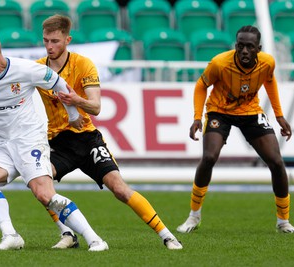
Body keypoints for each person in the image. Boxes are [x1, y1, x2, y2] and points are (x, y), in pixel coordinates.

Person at [35, 14, 183, 250]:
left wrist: (75, 99)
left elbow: (96, 106)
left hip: (86, 138)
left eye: (55, 41)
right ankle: (67, 234)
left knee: (120, 189)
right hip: (58, 142)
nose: (50, 46)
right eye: (46, 41)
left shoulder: (83, 65)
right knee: (39, 183)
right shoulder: (38, 69)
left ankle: (167, 235)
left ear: (68, 39)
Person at [0, 29, 109, 251]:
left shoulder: (26, 69)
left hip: (30, 141)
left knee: (45, 195)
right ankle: (10, 235)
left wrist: (73, 115)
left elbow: (60, 85)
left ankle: (95, 239)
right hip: (1, 145)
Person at [176, 25, 294, 234]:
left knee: (277, 162)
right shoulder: (220, 63)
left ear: (258, 49)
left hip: (250, 111)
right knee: (209, 157)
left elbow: (270, 81)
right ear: (235, 46)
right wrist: (197, 118)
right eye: (240, 46)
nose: (244, 51)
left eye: (249, 47)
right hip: (219, 111)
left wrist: (279, 116)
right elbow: (201, 86)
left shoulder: (267, 62)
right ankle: (193, 216)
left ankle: (283, 222)